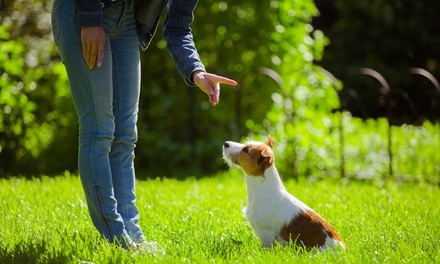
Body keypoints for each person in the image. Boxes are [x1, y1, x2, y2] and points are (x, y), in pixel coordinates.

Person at [51, 0, 237, 251]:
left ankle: (132, 236)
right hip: (83, 12)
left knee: (125, 135)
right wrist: (90, 18)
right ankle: (115, 238)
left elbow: (178, 28)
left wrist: (196, 70)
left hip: (126, 20)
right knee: (99, 129)